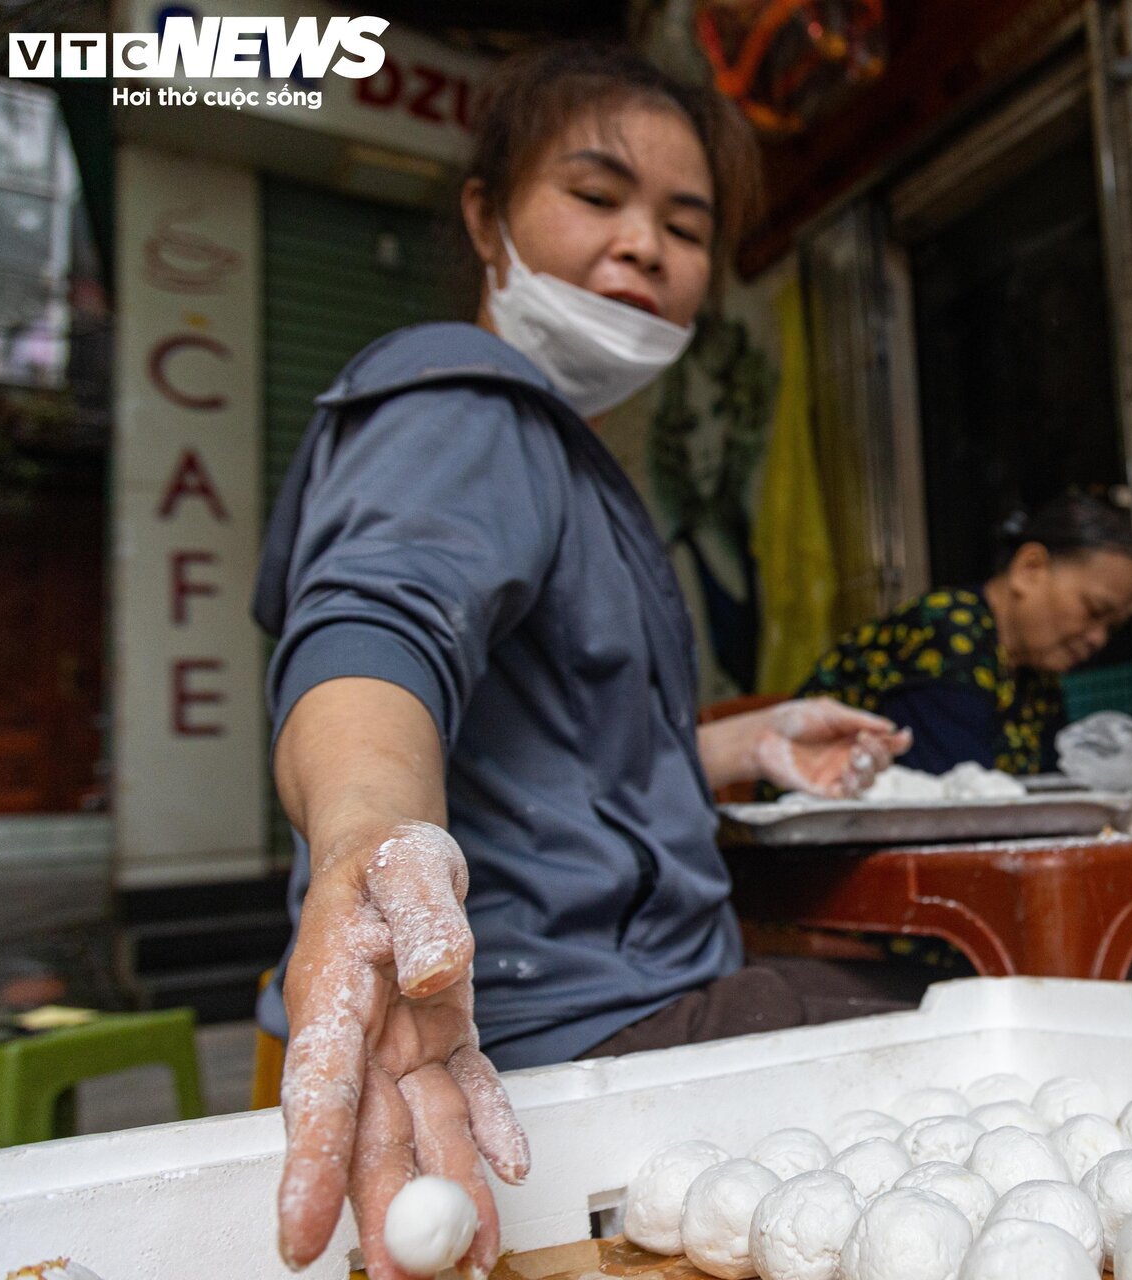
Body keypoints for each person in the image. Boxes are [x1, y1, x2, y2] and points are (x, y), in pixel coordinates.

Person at [251, 46, 914, 1279]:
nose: (645, 246)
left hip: (627, 990)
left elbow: (567, 749)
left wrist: (746, 745)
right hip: (565, 1027)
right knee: (941, 1024)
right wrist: (366, 841)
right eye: (597, 195)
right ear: (485, 217)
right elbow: (377, 628)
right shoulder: (466, 405)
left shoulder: (564, 461)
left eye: (684, 222)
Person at [797, 491, 1132, 776]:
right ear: (1030, 569)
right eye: (1094, 611)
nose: (1098, 639)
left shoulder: (1036, 678)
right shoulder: (951, 629)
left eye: (1111, 628)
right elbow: (953, 798)